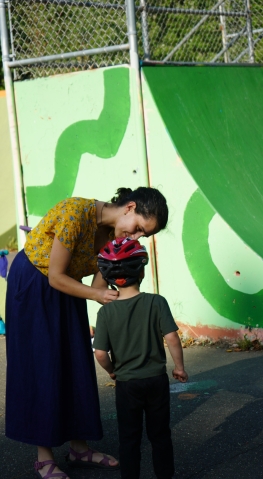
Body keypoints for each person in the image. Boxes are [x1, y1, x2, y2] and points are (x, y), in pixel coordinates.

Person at [5, 187, 168, 479]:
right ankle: (44, 458)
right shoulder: (76, 214)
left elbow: (100, 285)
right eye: (139, 229)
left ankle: (79, 448)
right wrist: (96, 296)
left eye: (144, 236)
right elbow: (56, 276)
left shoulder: (114, 236)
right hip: (34, 284)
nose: (136, 237)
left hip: (69, 287)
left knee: (76, 362)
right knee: (43, 366)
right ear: (129, 207)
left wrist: (124, 317)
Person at [93, 237, 188, 479]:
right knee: (160, 436)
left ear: (109, 276)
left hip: (127, 385)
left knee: (129, 438)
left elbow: (100, 353)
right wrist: (179, 367)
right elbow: (173, 339)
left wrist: (112, 371)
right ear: (142, 269)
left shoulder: (105, 312)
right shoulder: (156, 302)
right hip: (156, 380)